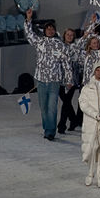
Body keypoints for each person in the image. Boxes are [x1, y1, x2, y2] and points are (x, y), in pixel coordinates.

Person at [24, 8, 73, 141]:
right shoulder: (40, 42)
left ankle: (50, 131)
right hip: (40, 80)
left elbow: (67, 64)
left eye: (52, 28)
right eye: (48, 29)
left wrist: (69, 80)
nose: (50, 30)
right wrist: (28, 19)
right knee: (44, 107)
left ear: (55, 30)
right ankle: (47, 128)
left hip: (54, 81)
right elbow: (29, 34)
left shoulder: (60, 45)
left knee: (52, 107)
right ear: (44, 31)